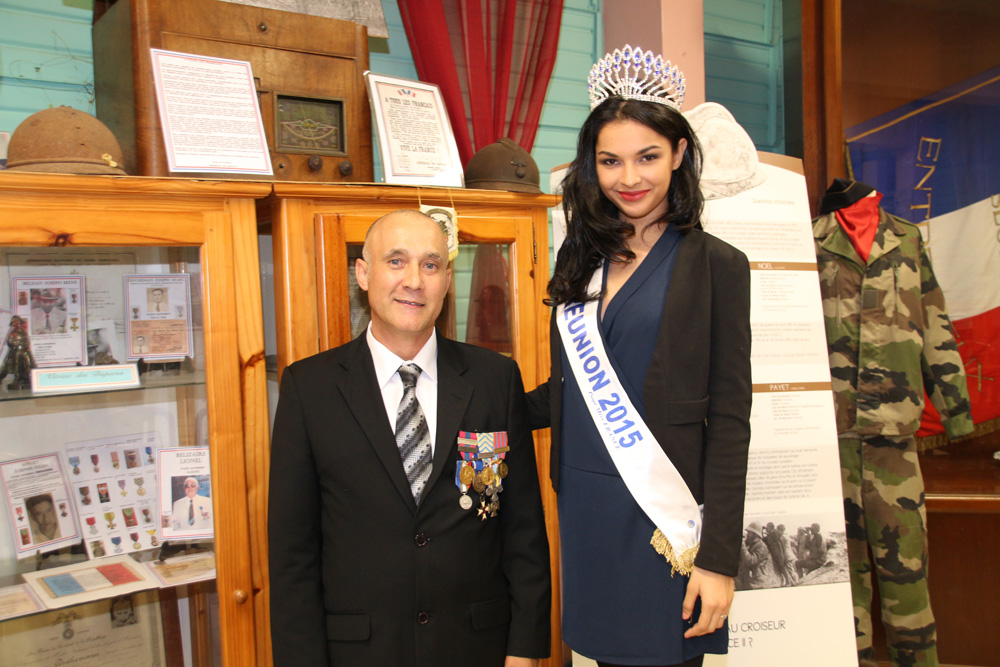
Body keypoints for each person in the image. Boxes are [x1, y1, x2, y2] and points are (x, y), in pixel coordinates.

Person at [525, 46, 751, 667]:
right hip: (587, 509)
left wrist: (719, 560)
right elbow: (569, 388)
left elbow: (730, 422)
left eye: (648, 157)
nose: (630, 178)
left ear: (679, 154)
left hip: (664, 520)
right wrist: (476, 399)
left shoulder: (718, 267)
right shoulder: (580, 257)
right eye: (610, 161)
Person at [268, 210, 550, 667]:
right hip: (359, 652)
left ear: (445, 280)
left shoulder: (494, 379)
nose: (414, 281)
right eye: (396, 261)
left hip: (479, 647)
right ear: (364, 273)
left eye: (431, 264)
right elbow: (292, 557)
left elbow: (523, 531)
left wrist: (525, 649)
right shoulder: (309, 388)